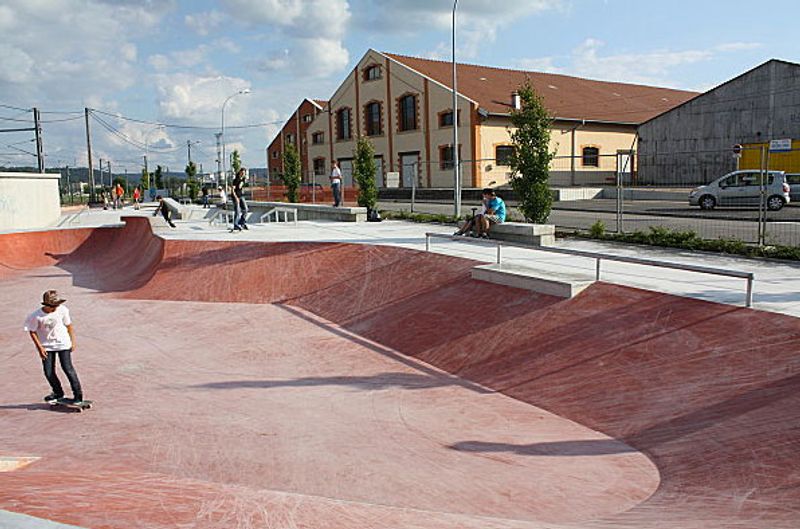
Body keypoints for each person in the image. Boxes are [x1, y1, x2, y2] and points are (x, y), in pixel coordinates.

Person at [24, 290, 84, 405]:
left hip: (63, 344)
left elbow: (69, 326)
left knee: (68, 369)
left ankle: (78, 396)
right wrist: (40, 348)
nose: (55, 308)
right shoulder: (36, 316)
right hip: (47, 346)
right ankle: (58, 393)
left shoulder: (63, 310)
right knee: (48, 372)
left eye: (57, 305)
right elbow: (32, 331)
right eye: (53, 306)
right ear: (46, 305)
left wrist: (73, 341)